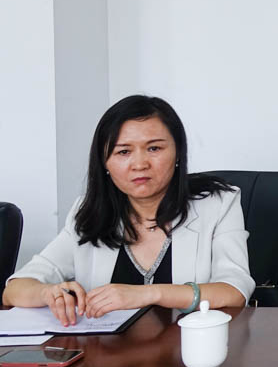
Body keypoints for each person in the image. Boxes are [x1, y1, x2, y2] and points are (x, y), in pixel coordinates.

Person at [3, 96, 253, 324]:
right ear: (105, 163)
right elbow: (14, 289)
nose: (139, 164)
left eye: (154, 148)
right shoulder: (88, 212)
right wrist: (48, 293)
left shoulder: (218, 204)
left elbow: (235, 291)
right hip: (108, 355)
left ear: (178, 152)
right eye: (123, 152)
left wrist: (149, 294)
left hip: (188, 349)